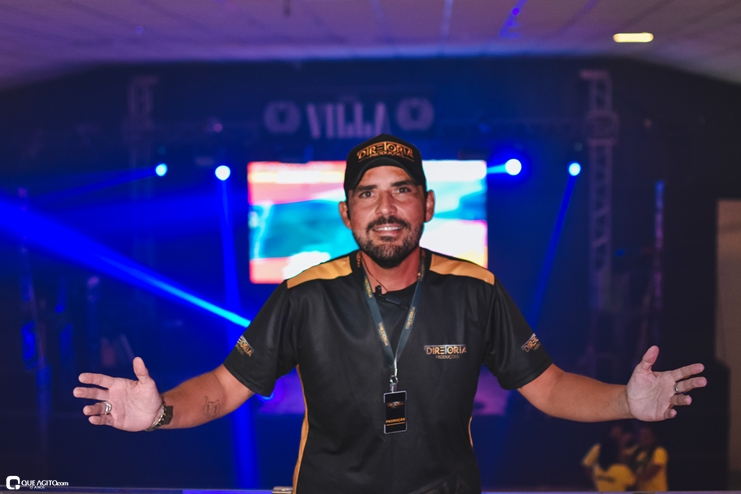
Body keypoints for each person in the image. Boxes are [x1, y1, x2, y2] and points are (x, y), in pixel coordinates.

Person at [73, 134, 707, 494]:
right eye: (368, 194)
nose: (385, 209)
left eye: (401, 191)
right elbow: (222, 386)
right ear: (346, 213)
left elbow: (551, 387)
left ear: (427, 205)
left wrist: (627, 401)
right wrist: (160, 412)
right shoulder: (303, 295)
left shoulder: (476, 290)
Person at [632, 425, 669, 491]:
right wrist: (621, 442)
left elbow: (653, 471)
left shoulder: (659, 451)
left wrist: (631, 479)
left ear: (653, 438)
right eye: (641, 436)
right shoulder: (637, 452)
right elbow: (623, 463)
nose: (642, 438)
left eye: (645, 436)